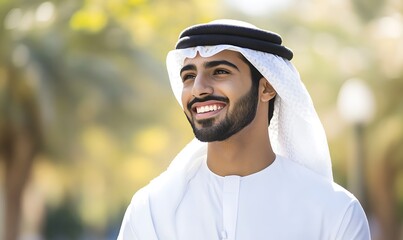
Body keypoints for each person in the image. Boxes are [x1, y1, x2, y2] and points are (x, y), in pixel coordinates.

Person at [117, 19, 371, 240]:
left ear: (267, 88)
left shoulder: (335, 212)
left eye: (220, 72)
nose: (198, 89)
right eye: (188, 76)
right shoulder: (151, 210)